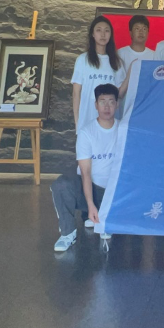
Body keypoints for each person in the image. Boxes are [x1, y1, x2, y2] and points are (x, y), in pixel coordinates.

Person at [51, 84, 120, 252]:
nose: (107, 106)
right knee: (61, 184)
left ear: (117, 104)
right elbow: (86, 172)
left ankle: (103, 218)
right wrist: (90, 204)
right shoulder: (86, 133)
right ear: (96, 105)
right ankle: (68, 233)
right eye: (102, 102)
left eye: (111, 102)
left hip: (114, 192)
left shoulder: (124, 130)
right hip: (91, 188)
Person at [71, 15, 132, 134]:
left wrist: (130, 73)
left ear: (111, 35)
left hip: (110, 122)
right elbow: (76, 93)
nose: (103, 34)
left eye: (107, 31)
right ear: (92, 34)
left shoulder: (116, 62)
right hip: (87, 121)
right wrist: (77, 122)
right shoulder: (83, 60)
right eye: (99, 30)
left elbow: (119, 94)